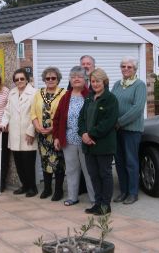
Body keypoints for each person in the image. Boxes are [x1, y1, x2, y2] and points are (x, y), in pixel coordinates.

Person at [79, 68, 118, 215]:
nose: (95, 84)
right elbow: (81, 118)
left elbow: (108, 122)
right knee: (93, 175)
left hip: (103, 144)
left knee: (104, 174)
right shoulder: (89, 97)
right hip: (88, 145)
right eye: (93, 81)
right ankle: (97, 203)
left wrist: (91, 135)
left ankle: (105, 205)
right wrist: (83, 133)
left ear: (104, 82)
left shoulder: (110, 99)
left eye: (98, 81)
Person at [53, 66, 95, 206]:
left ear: (85, 79)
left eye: (79, 76)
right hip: (69, 139)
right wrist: (57, 137)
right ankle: (72, 197)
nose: (76, 79)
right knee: (71, 170)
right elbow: (57, 118)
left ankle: (95, 198)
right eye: (73, 76)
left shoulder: (90, 95)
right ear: (70, 80)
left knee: (89, 170)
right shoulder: (66, 96)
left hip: (86, 140)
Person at [112, 56, 147, 205]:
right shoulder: (117, 85)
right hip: (116, 130)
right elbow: (111, 103)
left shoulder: (140, 85)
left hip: (131, 130)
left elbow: (137, 108)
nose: (126, 69)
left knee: (131, 161)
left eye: (129, 67)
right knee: (119, 161)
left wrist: (119, 122)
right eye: (123, 66)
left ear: (135, 69)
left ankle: (133, 193)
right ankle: (124, 191)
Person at [0, 68, 38, 197]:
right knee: (19, 163)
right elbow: (7, 111)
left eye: (22, 78)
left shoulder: (34, 93)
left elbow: (36, 114)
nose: (20, 81)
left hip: (28, 133)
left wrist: (31, 131)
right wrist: (3, 123)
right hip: (14, 133)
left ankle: (32, 187)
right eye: (17, 79)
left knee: (28, 163)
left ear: (27, 79)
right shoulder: (12, 93)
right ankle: (24, 185)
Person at [31, 66, 66, 201]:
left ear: (58, 79)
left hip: (57, 135)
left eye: (53, 78)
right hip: (42, 135)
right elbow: (33, 112)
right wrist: (38, 127)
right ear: (44, 80)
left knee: (58, 163)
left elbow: (64, 115)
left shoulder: (64, 93)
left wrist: (53, 128)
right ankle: (47, 189)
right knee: (45, 161)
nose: (50, 80)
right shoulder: (38, 93)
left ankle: (58, 190)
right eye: (48, 78)